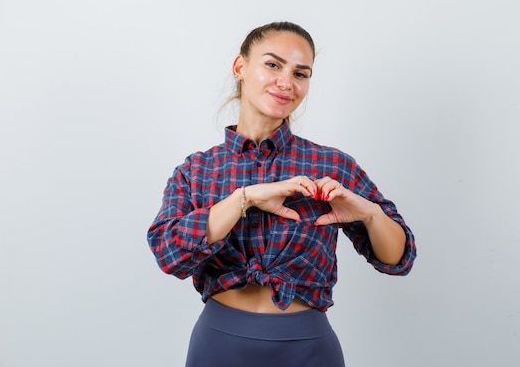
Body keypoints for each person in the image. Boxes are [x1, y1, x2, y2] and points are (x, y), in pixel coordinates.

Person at [147, 21, 417, 367]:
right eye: (273, 65)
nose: (286, 83)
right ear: (240, 67)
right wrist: (243, 199)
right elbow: (168, 253)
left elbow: (399, 259)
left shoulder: (330, 164)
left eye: (301, 74)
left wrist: (370, 214)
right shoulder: (197, 170)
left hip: (308, 347)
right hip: (219, 345)